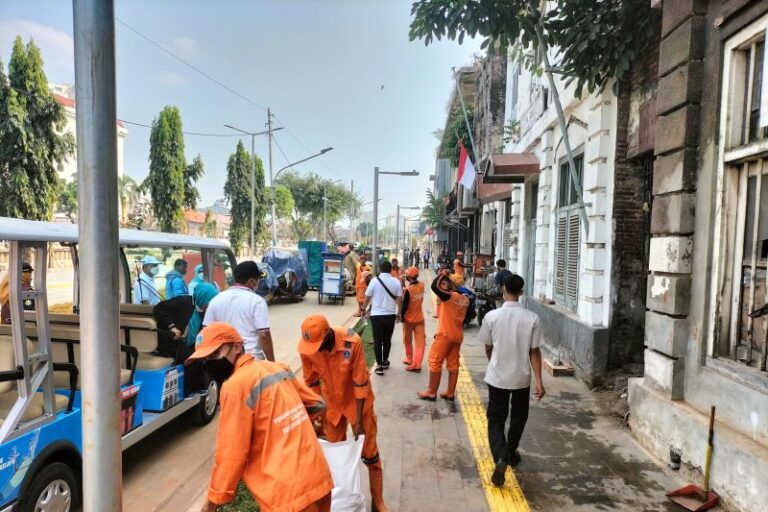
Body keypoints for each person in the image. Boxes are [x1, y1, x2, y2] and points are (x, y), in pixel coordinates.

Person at [191, 322, 333, 512]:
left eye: (215, 355)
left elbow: (232, 452)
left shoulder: (235, 387)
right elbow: (318, 405)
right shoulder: (277, 368)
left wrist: (213, 500)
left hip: (287, 493)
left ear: (237, 347)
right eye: (205, 359)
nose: (210, 363)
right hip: (318, 476)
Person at [298, 315, 390, 512]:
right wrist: (316, 417)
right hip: (332, 408)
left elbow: (360, 382)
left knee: (370, 454)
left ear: (329, 334)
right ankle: (340, 500)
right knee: (336, 455)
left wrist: (357, 422)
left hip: (359, 405)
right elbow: (311, 384)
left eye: (319, 344)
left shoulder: (352, 342)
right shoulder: (308, 348)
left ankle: (378, 501)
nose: (316, 350)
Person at [478, 274, 545, 486]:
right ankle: (510, 452)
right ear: (522, 292)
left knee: (496, 419)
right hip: (521, 378)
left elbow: (488, 346)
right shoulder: (532, 318)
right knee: (519, 416)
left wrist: (493, 362)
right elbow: (534, 352)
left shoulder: (491, 317)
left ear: (503, 289)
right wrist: (540, 381)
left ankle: (500, 456)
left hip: (497, 376)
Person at [203, 261, 275, 361]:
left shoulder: (216, 300)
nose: (258, 283)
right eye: (257, 280)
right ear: (251, 281)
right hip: (251, 359)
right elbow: (264, 335)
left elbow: (206, 331)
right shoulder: (257, 301)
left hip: (225, 361)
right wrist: (272, 362)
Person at [418, 270, 469, 401]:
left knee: (435, 362)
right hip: (458, 336)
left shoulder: (450, 297)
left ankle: (431, 392)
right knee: (453, 364)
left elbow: (435, 286)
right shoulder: (466, 300)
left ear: (452, 285)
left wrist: (442, 274)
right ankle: (450, 393)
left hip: (445, 335)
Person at [363, 260, 402, 376]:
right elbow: (399, 299)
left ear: (380, 269)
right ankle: (385, 361)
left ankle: (379, 366)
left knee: (378, 340)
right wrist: (399, 313)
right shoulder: (396, 282)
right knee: (387, 340)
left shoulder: (374, 281)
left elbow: (367, 298)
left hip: (376, 316)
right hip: (390, 315)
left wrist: (363, 309)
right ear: (391, 269)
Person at [401, 266, 426, 372]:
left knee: (407, 340)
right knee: (420, 342)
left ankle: (410, 359)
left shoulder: (409, 290)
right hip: (420, 318)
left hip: (409, 320)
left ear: (409, 276)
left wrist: (401, 317)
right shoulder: (422, 285)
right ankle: (417, 364)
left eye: (407, 274)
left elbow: (404, 306)